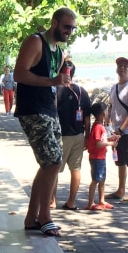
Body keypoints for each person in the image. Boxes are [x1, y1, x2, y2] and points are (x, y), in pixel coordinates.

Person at [12, 7, 76, 237]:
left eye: (72, 28)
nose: (70, 31)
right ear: (54, 22)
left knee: (49, 164)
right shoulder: (35, 41)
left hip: (49, 111)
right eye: (66, 26)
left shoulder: (58, 52)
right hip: (32, 110)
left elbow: (54, 84)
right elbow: (19, 74)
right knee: (53, 162)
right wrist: (52, 80)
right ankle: (44, 216)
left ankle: (32, 218)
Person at [52, 60, 91, 211]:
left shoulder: (56, 90)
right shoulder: (82, 91)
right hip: (79, 135)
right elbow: (87, 117)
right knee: (76, 169)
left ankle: (52, 201)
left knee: (54, 170)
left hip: (62, 136)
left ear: (61, 73)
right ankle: (71, 202)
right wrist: (87, 136)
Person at [106, 57, 128, 203]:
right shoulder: (114, 87)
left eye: (125, 66)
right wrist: (109, 124)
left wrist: (122, 129)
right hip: (115, 132)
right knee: (119, 161)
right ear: (116, 69)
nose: (122, 68)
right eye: (119, 66)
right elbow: (111, 107)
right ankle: (120, 190)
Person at [85, 102, 118, 210]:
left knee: (102, 179)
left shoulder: (100, 126)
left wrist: (110, 139)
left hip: (101, 157)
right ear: (103, 114)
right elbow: (98, 143)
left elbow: (101, 140)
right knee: (96, 179)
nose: (108, 113)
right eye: (107, 111)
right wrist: (110, 144)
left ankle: (101, 200)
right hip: (96, 157)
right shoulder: (97, 127)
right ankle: (90, 203)